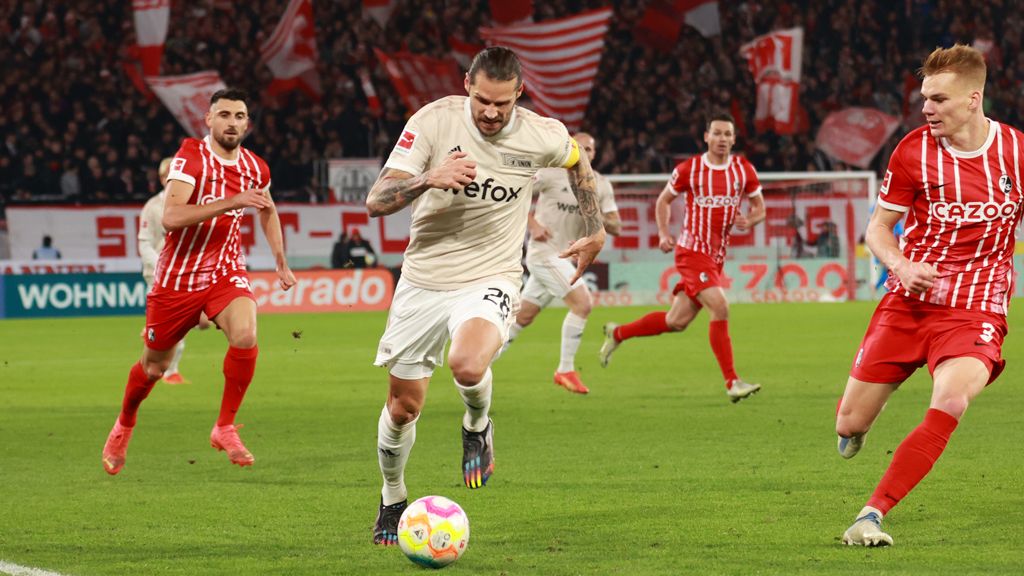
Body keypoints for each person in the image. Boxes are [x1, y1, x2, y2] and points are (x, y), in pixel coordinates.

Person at [365, 46, 606, 546]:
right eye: (481, 101)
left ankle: (477, 424)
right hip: (423, 280)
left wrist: (596, 228)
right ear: (467, 85)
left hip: (491, 274)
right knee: (403, 408)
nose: (491, 113)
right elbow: (376, 200)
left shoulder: (541, 133)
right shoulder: (433, 122)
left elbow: (579, 165)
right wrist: (428, 177)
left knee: (469, 366)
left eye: (502, 103)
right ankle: (392, 497)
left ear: (519, 93)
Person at [837, 44, 1023, 547]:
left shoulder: (1016, 151)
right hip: (908, 302)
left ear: (972, 99)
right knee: (849, 422)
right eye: (924, 98)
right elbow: (878, 228)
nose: (926, 108)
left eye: (938, 98)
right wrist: (899, 263)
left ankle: (870, 514)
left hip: (977, 308)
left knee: (953, 398)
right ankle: (857, 427)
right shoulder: (913, 151)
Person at [101, 88, 297, 476]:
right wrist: (232, 201)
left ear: (247, 123)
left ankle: (224, 426)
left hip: (225, 272)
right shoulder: (190, 157)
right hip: (177, 280)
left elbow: (267, 209)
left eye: (239, 116)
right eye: (224, 115)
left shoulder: (257, 167)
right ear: (209, 120)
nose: (232, 122)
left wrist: (280, 261)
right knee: (154, 368)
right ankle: (124, 423)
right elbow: (171, 217)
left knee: (246, 334)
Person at [598, 113, 766, 403]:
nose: (722, 139)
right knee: (721, 307)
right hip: (692, 251)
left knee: (676, 321)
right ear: (706, 137)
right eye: (717, 133)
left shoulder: (744, 170)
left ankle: (618, 333)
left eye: (728, 134)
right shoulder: (690, 169)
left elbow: (760, 208)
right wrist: (663, 233)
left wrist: (750, 220)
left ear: (734, 139)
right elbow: (663, 200)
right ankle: (732, 382)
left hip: (716, 257)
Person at [498, 132, 621, 394]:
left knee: (521, 318)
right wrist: (532, 224)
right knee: (583, 303)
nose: (585, 153)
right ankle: (565, 369)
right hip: (543, 253)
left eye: (590, 149)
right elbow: (513, 194)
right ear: (570, 149)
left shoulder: (600, 184)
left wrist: (592, 207)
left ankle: (478, 362)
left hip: (566, 256)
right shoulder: (550, 173)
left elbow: (616, 225)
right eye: (580, 148)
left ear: (594, 154)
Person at [137, 157, 211, 385]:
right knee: (176, 327)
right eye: (170, 173)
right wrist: (161, 264)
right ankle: (169, 371)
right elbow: (144, 242)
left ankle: (153, 333)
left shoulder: (192, 204)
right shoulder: (153, 207)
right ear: (162, 178)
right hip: (159, 276)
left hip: (186, 273)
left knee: (203, 321)